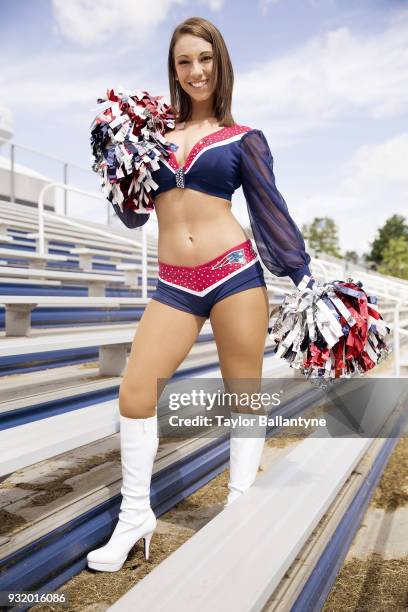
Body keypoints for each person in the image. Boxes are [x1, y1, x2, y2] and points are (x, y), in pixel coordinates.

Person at [87, 16, 313, 573]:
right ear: (174, 69)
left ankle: (240, 511)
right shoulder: (148, 136)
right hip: (175, 283)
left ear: (221, 64)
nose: (195, 71)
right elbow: (135, 214)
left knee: (244, 396)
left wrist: (302, 274)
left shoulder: (243, 139)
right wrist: (118, 159)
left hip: (234, 273)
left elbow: (269, 212)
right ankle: (135, 516)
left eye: (204, 60)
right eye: (184, 61)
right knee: (136, 395)